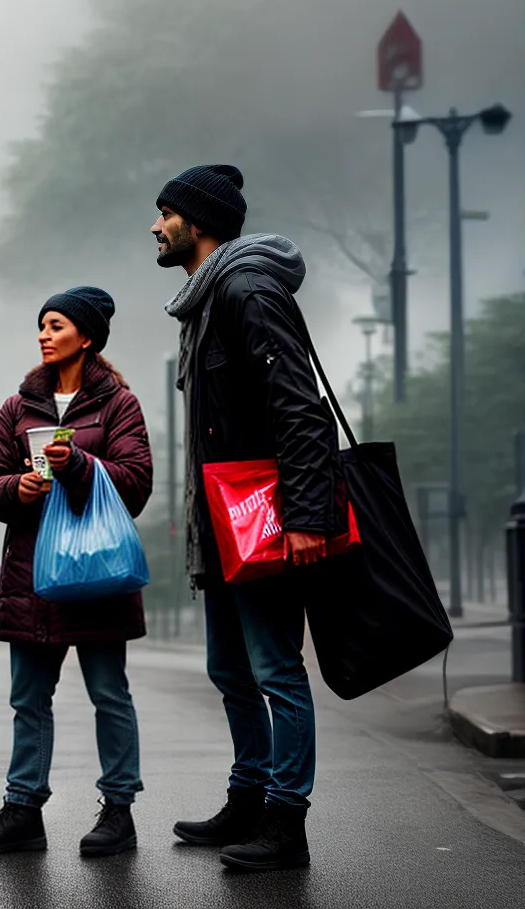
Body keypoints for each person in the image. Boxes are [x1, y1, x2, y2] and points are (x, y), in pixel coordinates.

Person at [152, 165, 340, 872]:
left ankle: (285, 822)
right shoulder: (205, 298)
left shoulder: (245, 288)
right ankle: (248, 796)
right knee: (229, 668)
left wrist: (307, 514)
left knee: (275, 671)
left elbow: (298, 403)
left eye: (164, 213)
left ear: (196, 224)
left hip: (265, 516)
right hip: (225, 521)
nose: (154, 226)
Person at [0, 287, 152, 858]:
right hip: (33, 575)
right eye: (41, 326)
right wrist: (16, 489)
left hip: (96, 573)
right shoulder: (18, 406)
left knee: (109, 693)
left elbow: (136, 483)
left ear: (87, 336)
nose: (44, 335)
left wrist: (79, 466)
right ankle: (23, 810)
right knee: (28, 697)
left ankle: (118, 812)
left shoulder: (118, 404)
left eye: (56, 325)